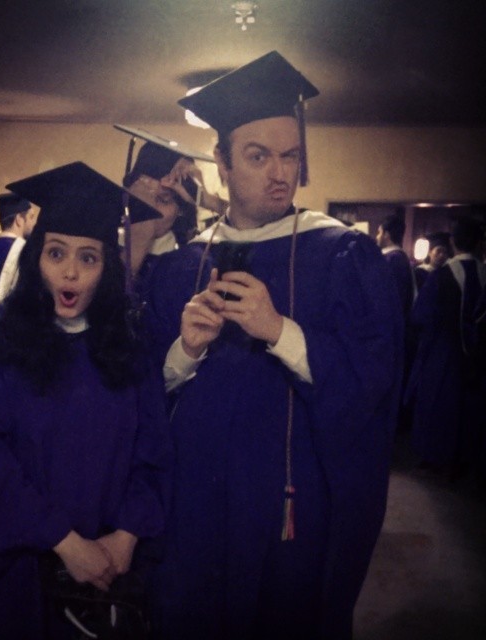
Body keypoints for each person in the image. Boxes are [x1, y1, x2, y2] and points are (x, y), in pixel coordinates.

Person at [143, 50, 403, 639]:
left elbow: (372, 378)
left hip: (291, 506)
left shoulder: (341, 255)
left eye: (290, 156)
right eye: (258, 156)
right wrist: (184, 350)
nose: (279, 173)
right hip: (195, 501)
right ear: (222, 163)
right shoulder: (184, 262)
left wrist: (279, 331)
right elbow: (141, 389)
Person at [0, 162, 172, 640]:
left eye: (89, 258)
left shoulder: (129, 349)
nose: (71, 271)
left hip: (107, 575)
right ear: (36, 258)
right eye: (56, 253)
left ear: (107, 268)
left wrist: (126, 536)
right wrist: (66, 543)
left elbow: (152, 452)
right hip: (14, 576)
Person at [406, 216, 486, 479]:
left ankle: (437, 459)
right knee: (470, 412)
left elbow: (420, 316)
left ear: (453, 242)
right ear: (478, 244)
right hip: (477, 357)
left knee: (439, 406)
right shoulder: (483, 274)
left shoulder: (442, 276)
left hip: (443, 352)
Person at [114, 126, 226, 303]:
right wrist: (138, 239)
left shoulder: (196, 259)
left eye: (164, 200)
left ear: (180, 209)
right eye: (144, 198)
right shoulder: (101, 249)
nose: (152, 209)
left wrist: (208, 200)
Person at [376, 209, 415, 319]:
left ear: (386, 235)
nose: (377, 236)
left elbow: (386, 296)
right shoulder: (399, 257)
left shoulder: (393, 259)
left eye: (379, 232)